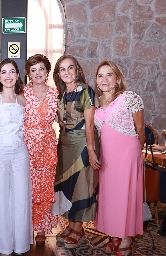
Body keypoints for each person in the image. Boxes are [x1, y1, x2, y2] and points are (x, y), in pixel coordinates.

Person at [94, 60, 144, 255]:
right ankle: (116, 232)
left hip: (127, 154)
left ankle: (127, 238)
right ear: (97, 80)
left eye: (109, 75)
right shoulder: (96, 102)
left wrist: (134, 154)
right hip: (108, 157)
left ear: (117, 79)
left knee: (127, 195)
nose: (104, 79)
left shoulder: (129, 97)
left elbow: (140, 128)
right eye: (100, 75)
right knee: (111, 196)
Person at [0, 58, 32, 256]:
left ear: (18, 75)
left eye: (12, 71)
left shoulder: (23, 100)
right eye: (4, 72)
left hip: (20, 153)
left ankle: (20, 244)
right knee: (1, 197)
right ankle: (3, 244)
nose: (8, 75)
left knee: (21, 197)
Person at [52, 54, 100, 249]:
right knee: (67, 185)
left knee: (81, 185)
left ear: (77, 69)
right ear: (58, 74)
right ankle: (71, 223)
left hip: (82, 142)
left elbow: (90, 125)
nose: (67, 72)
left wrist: (91, 150)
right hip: (64, 144)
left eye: (70, 68)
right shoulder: (61, 92)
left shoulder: (86, 91)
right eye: (62, 69)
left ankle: (78, 227)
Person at [23, 54, 59, 246]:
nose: (37, 73)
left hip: (47, 146)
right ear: (28, 73)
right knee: (27, 189)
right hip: (25, 147)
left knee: (44, 189)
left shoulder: (55, 93)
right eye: (33, 69)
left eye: (41, 69)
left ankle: (42, 229)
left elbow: (64, 118)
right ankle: (26, 225)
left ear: (47, 72)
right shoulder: (21, 92)